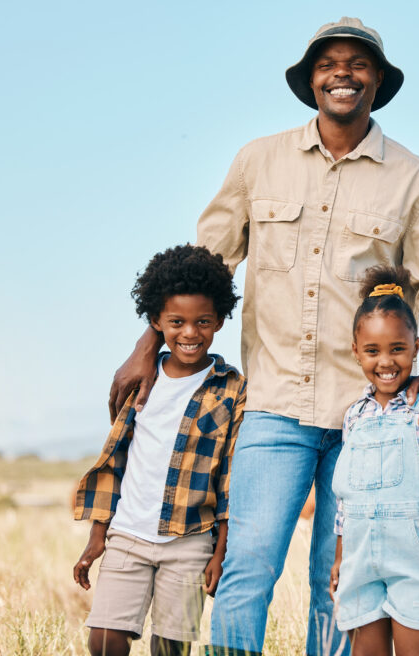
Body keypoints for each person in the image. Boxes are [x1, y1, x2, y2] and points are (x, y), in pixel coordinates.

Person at [109, 17, 419, 656]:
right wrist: (147, 347)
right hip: (273, 406)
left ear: (378, 81)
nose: (343, 73)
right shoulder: (258, 161)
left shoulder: (415, 178)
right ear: (310, 80)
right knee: (247, 566)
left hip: (370, 421)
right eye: (330, 62)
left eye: (359, 64)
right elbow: (203, 267)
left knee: (338, 579)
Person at [73, 244, 246, 656]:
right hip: (128, 536)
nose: (190, 333)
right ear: (157, 322)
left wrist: (220, 553)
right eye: (177, 322)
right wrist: (98, 537)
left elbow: (229, 481)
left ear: (220, 320)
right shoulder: (141, 380)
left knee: (171, 647)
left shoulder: (232, 389)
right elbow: (113, 462)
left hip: (189, 543)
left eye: (203, 321)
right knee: (104, 640)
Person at [330, 266, 419, 656]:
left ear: (416, 348)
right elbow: (345, 496)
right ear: (356, 351)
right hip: (360, 562)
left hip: (418, 563)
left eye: (397, 349)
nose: (386, 362)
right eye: (373, 351)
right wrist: (341, 556)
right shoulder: (354, 416)